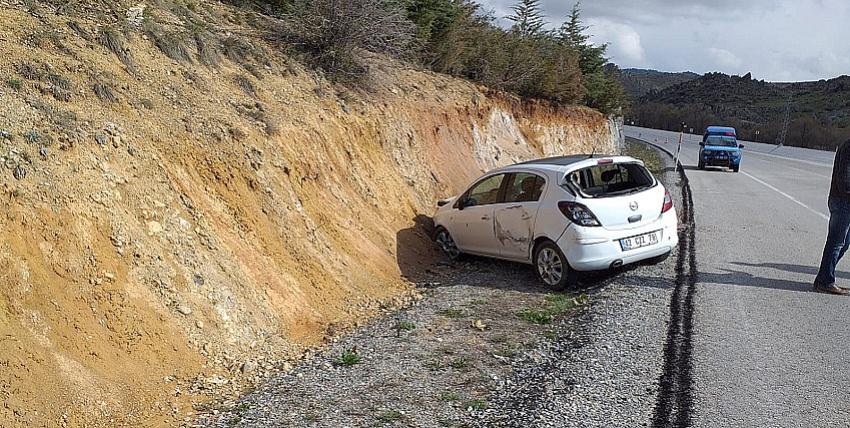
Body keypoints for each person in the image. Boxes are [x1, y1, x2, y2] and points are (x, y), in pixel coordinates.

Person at [814, 138, 850, 295]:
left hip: (844, 200)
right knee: (836, 243)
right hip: (843, 201)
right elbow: (845, 180)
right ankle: (825, 281)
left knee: (844, 243)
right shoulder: (848, 147)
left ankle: (824, 277)